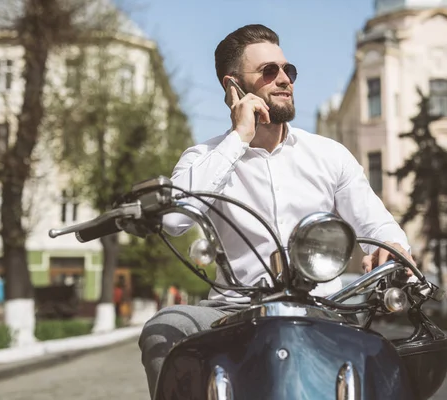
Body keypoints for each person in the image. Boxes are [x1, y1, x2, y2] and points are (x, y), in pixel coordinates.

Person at [138, 24, 415, 398]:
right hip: (231, 311)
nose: (284, 79)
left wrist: (391, 245)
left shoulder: (328, 154)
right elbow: (174, 220)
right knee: (162, 329)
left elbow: (377, 223)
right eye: (269, 71)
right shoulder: (204, 157)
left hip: (326, 307)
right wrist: (239, 138)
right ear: (232, 87)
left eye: (289, 71)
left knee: (385, 362)